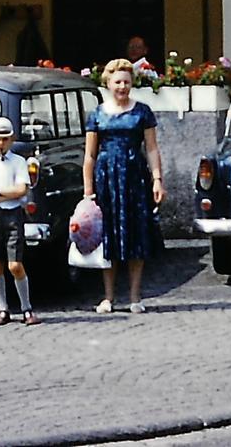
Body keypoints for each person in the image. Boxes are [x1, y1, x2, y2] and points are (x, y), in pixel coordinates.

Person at [83, 57, 165, 314]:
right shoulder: (97, 114)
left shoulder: (142, 111)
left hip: (134, 176)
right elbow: (90, 155)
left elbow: (151, 148)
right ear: (108, 83)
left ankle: (134, 296)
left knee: (135, 233)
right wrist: (88, 190)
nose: (122, 87)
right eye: (118, 82)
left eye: (127, 82)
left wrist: (157, 178)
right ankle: (108, 296)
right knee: (107, 235)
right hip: (106, 177)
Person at [0, 116, 42, 326]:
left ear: (11, 140)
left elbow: (22, 189)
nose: (1, 143)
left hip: (13, 215)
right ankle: (2, 307)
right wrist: (4, 196)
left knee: (15, 264)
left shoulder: (18, 162)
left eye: (4, 139)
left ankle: (26, 306)